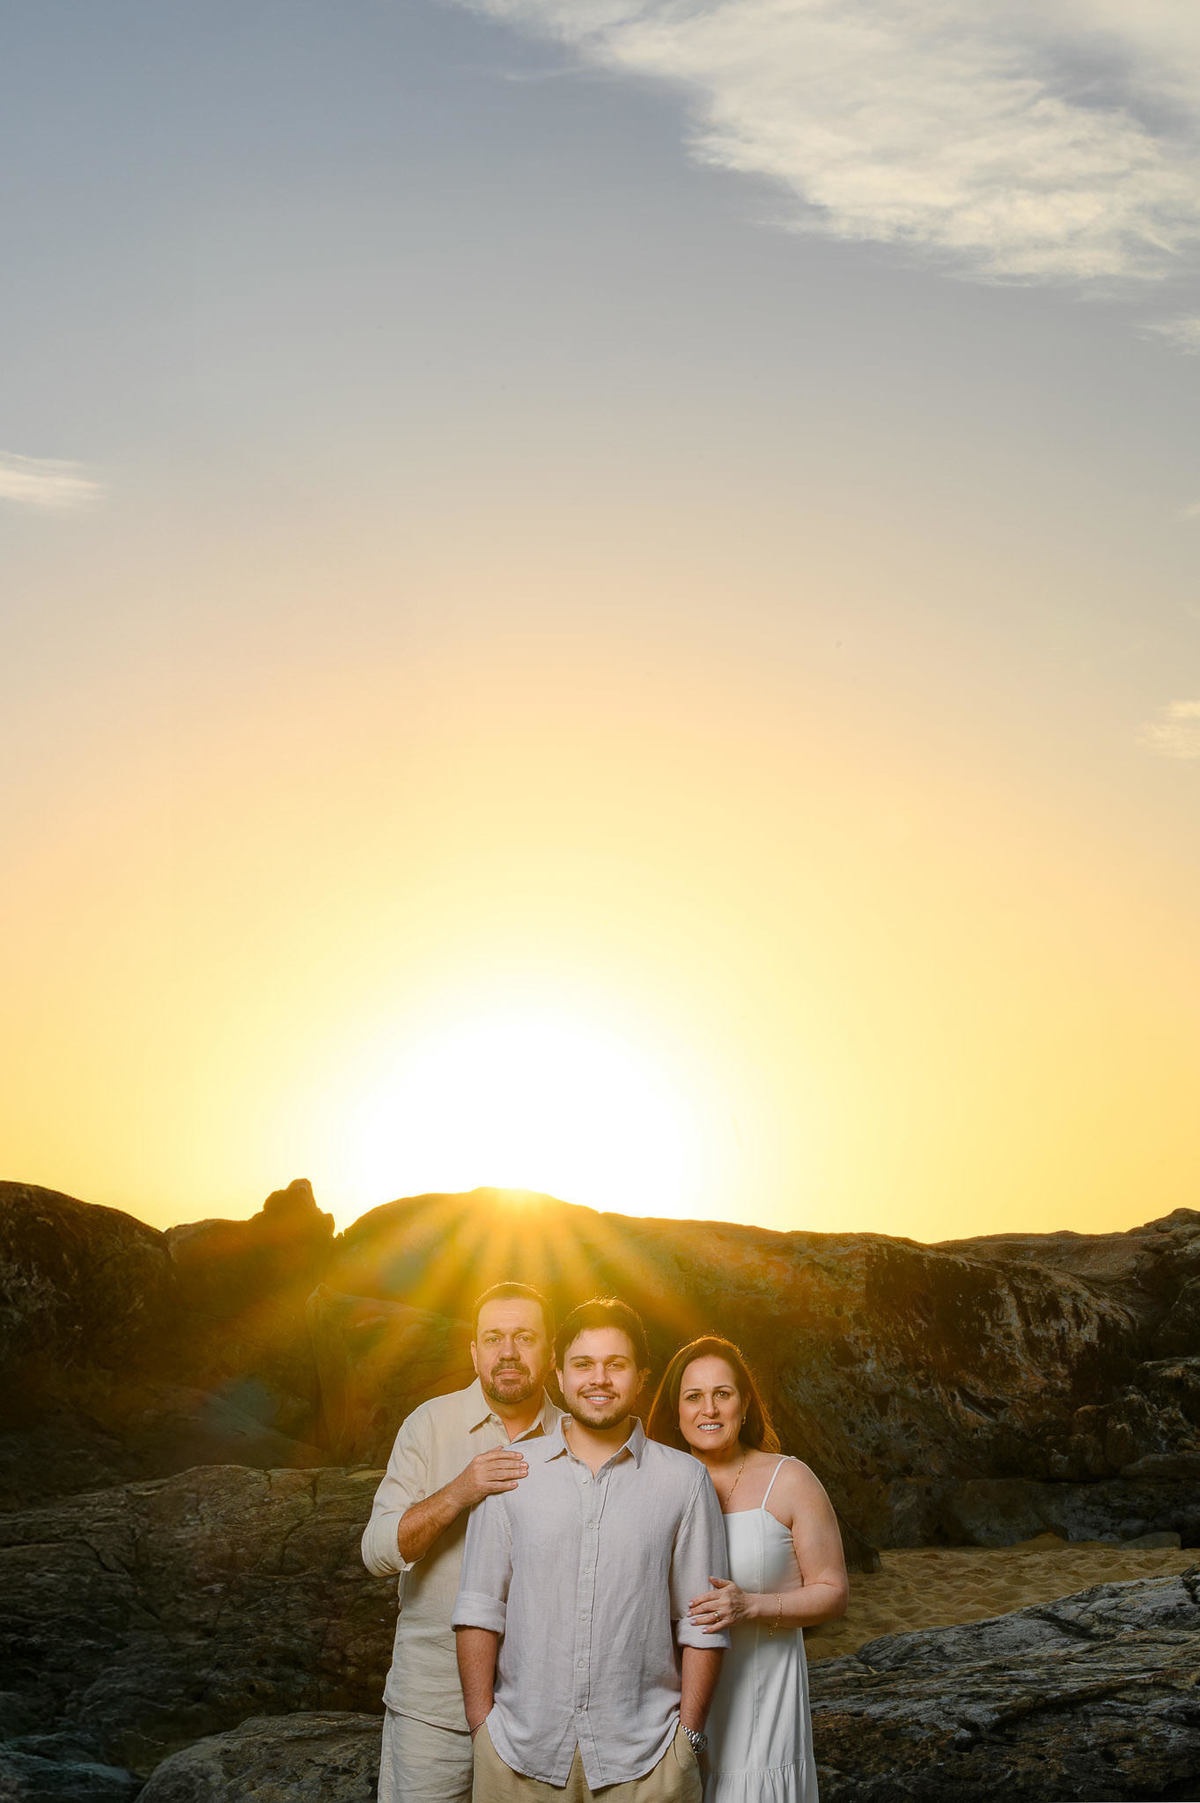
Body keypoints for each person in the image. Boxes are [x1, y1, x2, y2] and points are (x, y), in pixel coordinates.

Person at [453, 1297, 729, 1803]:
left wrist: (687, 1740)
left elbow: (702, 1622)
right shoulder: (511, 1471)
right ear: (558, 1375)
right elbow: (478, 1607)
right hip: (517, 1758)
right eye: (583, 1364)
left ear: (641, 1377)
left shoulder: (684, 1481)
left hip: (647, 1764)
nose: (598, 1378)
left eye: (615, 1364)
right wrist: (481, 1730)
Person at [361, 1282, 560, 1803]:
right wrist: (460, 1491)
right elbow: (378, 1551)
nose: (509, 1352)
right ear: (474, 1351)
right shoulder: (429, 1425)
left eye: (525, 1337)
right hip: (433, 1707)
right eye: (494, 1338)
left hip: (540, 1715)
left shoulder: (576, 1436)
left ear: (552, 1349)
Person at [646, 1337, 849, 1803]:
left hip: (764, 1700)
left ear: (745, 1404)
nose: (709, 1409)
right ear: (676, 1411)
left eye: (723, 1393)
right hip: (672, 1707)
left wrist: (750, 1605)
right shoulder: (655, 1487)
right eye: (693, 1396)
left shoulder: (791, 1479)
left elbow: (833, 1592)